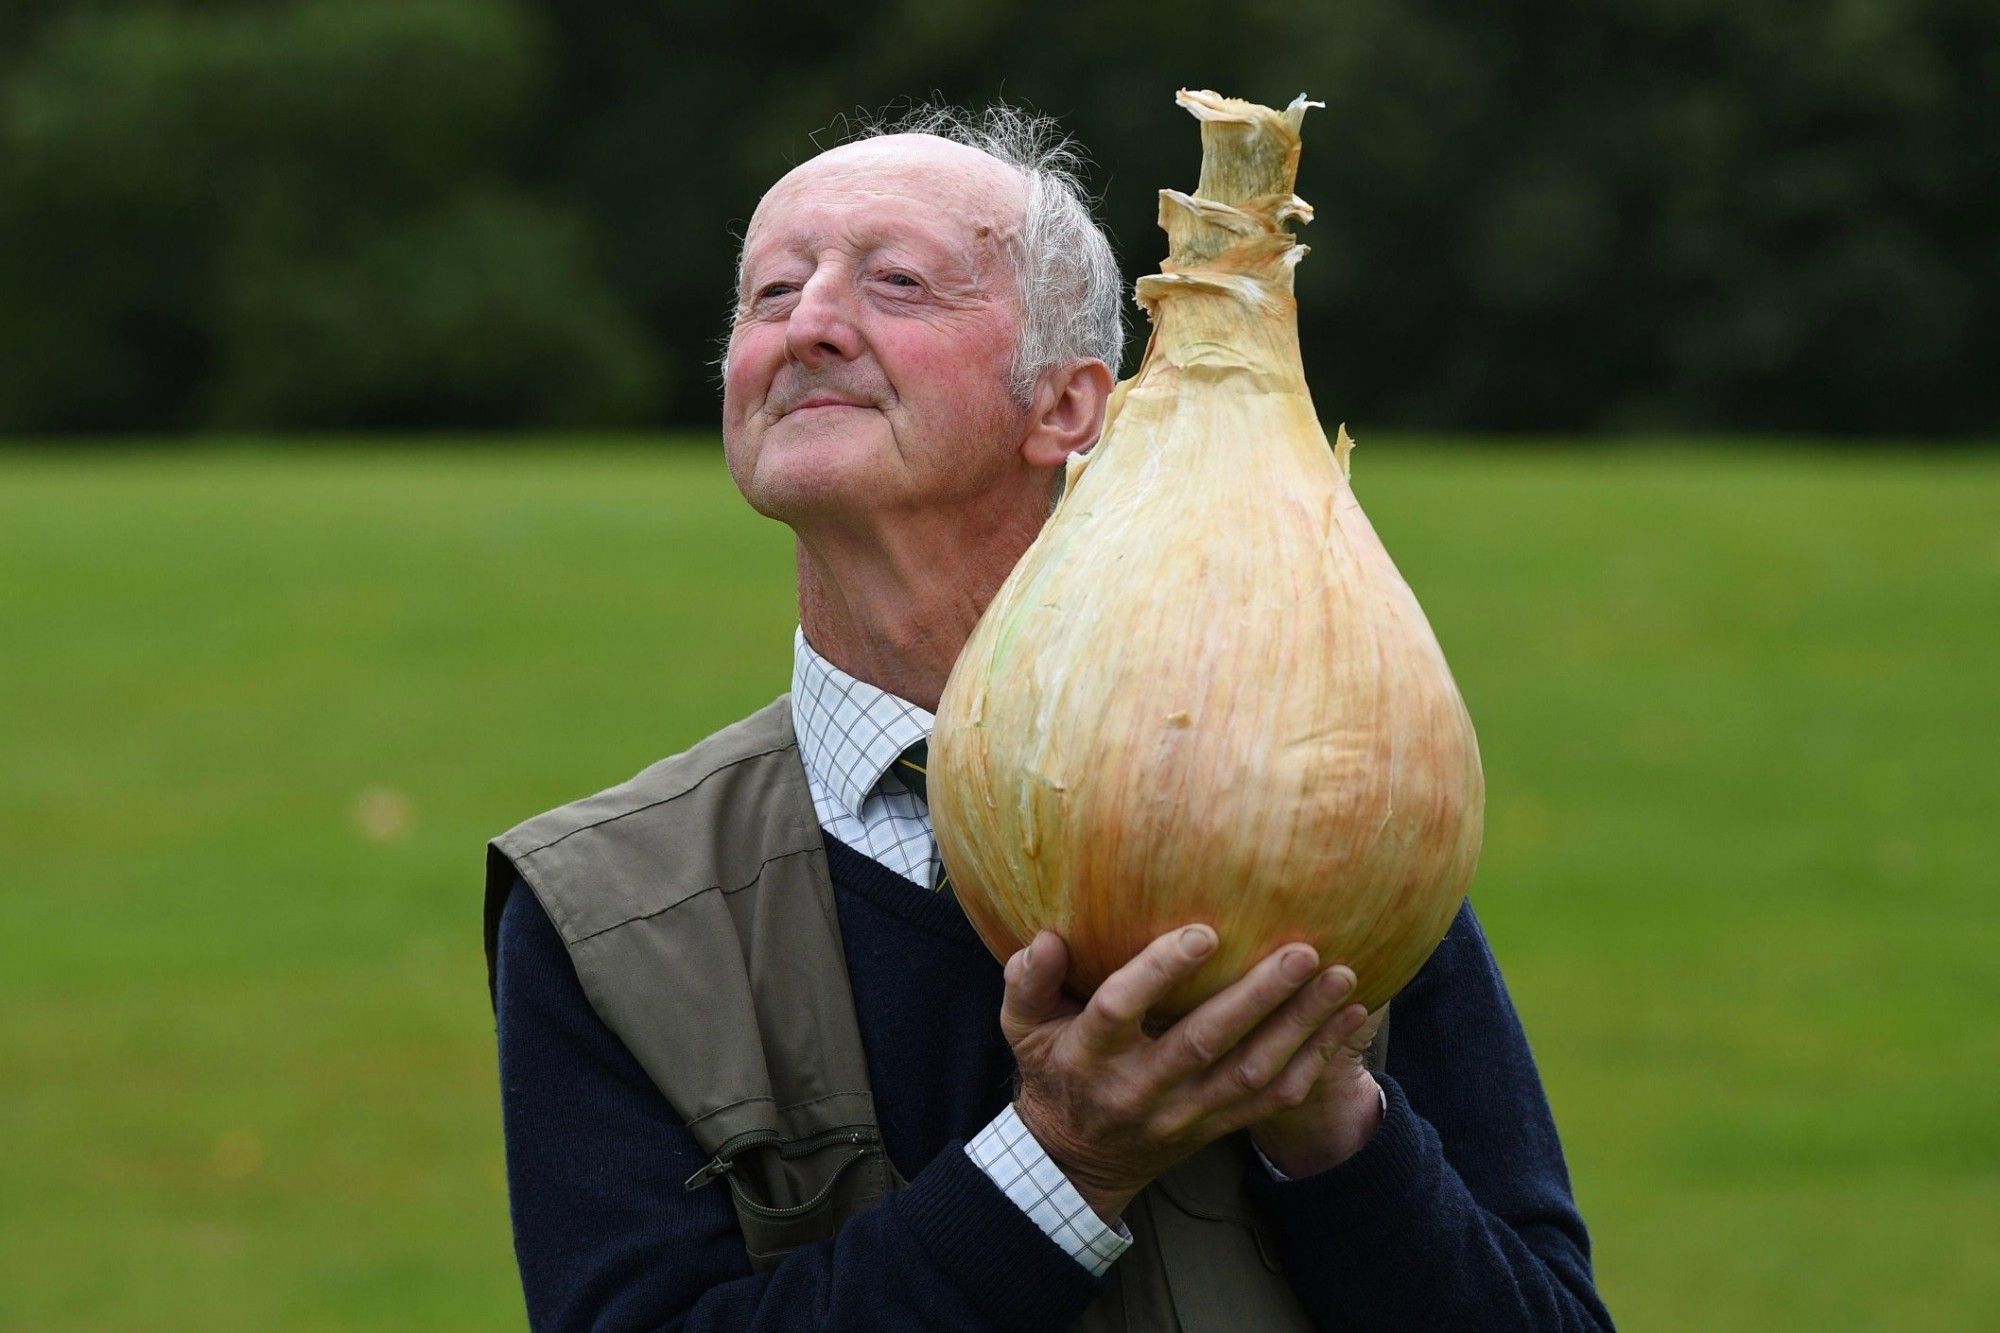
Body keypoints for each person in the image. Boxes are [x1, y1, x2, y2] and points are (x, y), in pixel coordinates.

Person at [486, 103, 1614, 1332]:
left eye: (896, 283)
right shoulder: (602, 907)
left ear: (1069, 406)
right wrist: (1059, 1163)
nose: (808, 325)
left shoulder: (1334, 806)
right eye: (768, 295)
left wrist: (1329, 1125)